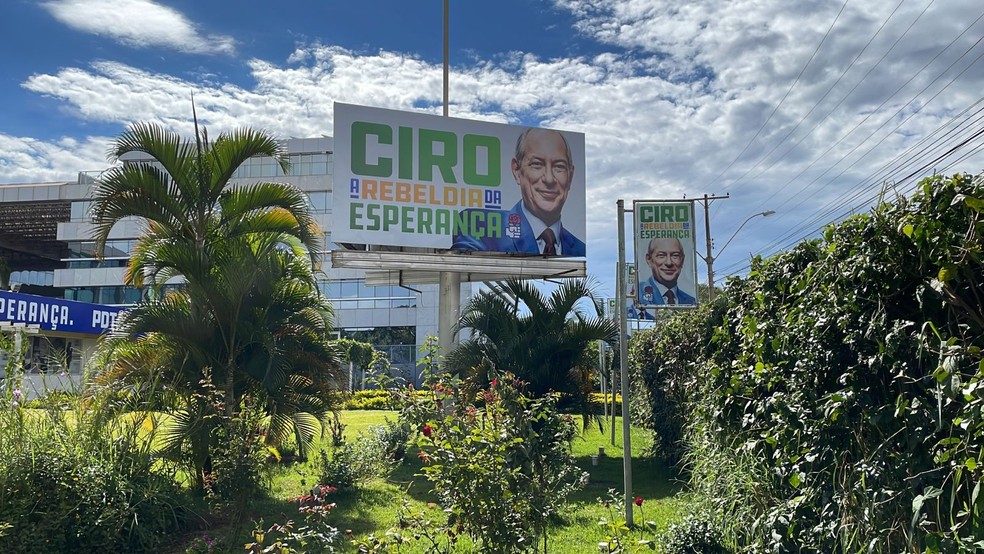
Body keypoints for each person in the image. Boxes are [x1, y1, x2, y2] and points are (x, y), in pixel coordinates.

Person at [452, 128, 585, 256]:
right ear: (516, 171)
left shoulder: (580, 250)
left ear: (571, 176)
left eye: (559, 166)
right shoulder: (481, 227)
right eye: (537, 164)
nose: (549, 179)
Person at [640, 237, 696, 305]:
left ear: (682, 260)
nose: (669, 263)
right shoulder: (638, 294)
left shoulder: (690, 302)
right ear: (649, 259)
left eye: (675, 255)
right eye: (661, 255)